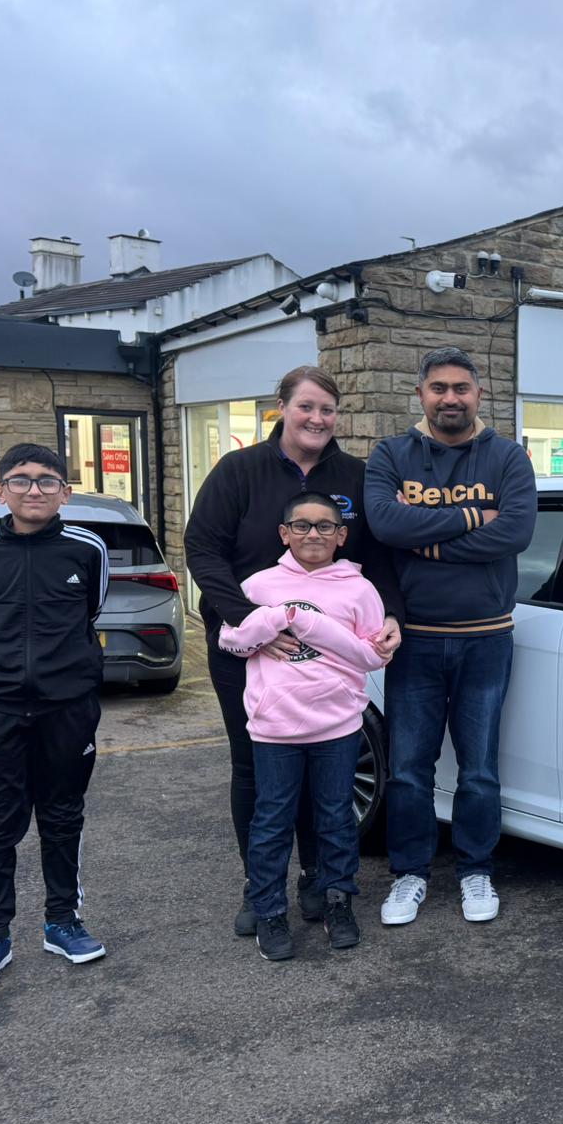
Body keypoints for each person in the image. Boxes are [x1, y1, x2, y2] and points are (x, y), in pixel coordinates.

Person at [184, 366, 403, 937]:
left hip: (328, 661)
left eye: (328, 410)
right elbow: (202, 549)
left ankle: (316, 882)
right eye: (306, 407)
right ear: (281, 407)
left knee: (324, 777)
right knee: (255, 770)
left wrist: (392, 617)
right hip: (248, 650)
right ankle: (261, 891)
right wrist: (249, 621)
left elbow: (379, 558)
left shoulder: (356, 475)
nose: (317, 419)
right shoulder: (240, 470)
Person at [365, 346, 536, 925]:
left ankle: (475, 871)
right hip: (414, 640)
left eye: (461, 388)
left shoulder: (508, 458)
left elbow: (514, 532)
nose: (450, 398)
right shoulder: (392, 454)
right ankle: (410, 874)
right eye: (438, 388)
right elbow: (386, 524)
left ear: (478, 394)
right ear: (421, 394)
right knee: (410, 767)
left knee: (479, 767)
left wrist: (423, 539)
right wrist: (468, 519)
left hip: (487, 639)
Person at [0, 444, 110, 990]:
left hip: (66, 707)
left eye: (47, 481)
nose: (34, 490)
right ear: (0, 492)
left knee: (63, 816)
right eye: (20, 481)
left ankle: (62, 921)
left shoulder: (86, 549)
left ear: (65, 492)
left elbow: (91, 610)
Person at [218, 492, 388, 961]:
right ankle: (269, 909)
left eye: (325, 526)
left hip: (337, 724)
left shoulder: (359, 590)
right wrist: (274, 620)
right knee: (272, 820)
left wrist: (305, 622)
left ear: (341, 536)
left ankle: (337, 900)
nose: (313, 534)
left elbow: (373, 653)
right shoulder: (259, 585)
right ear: (284, 534)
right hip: (275, 726)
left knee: (335, 817)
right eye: (302, 525)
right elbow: (230, 640)